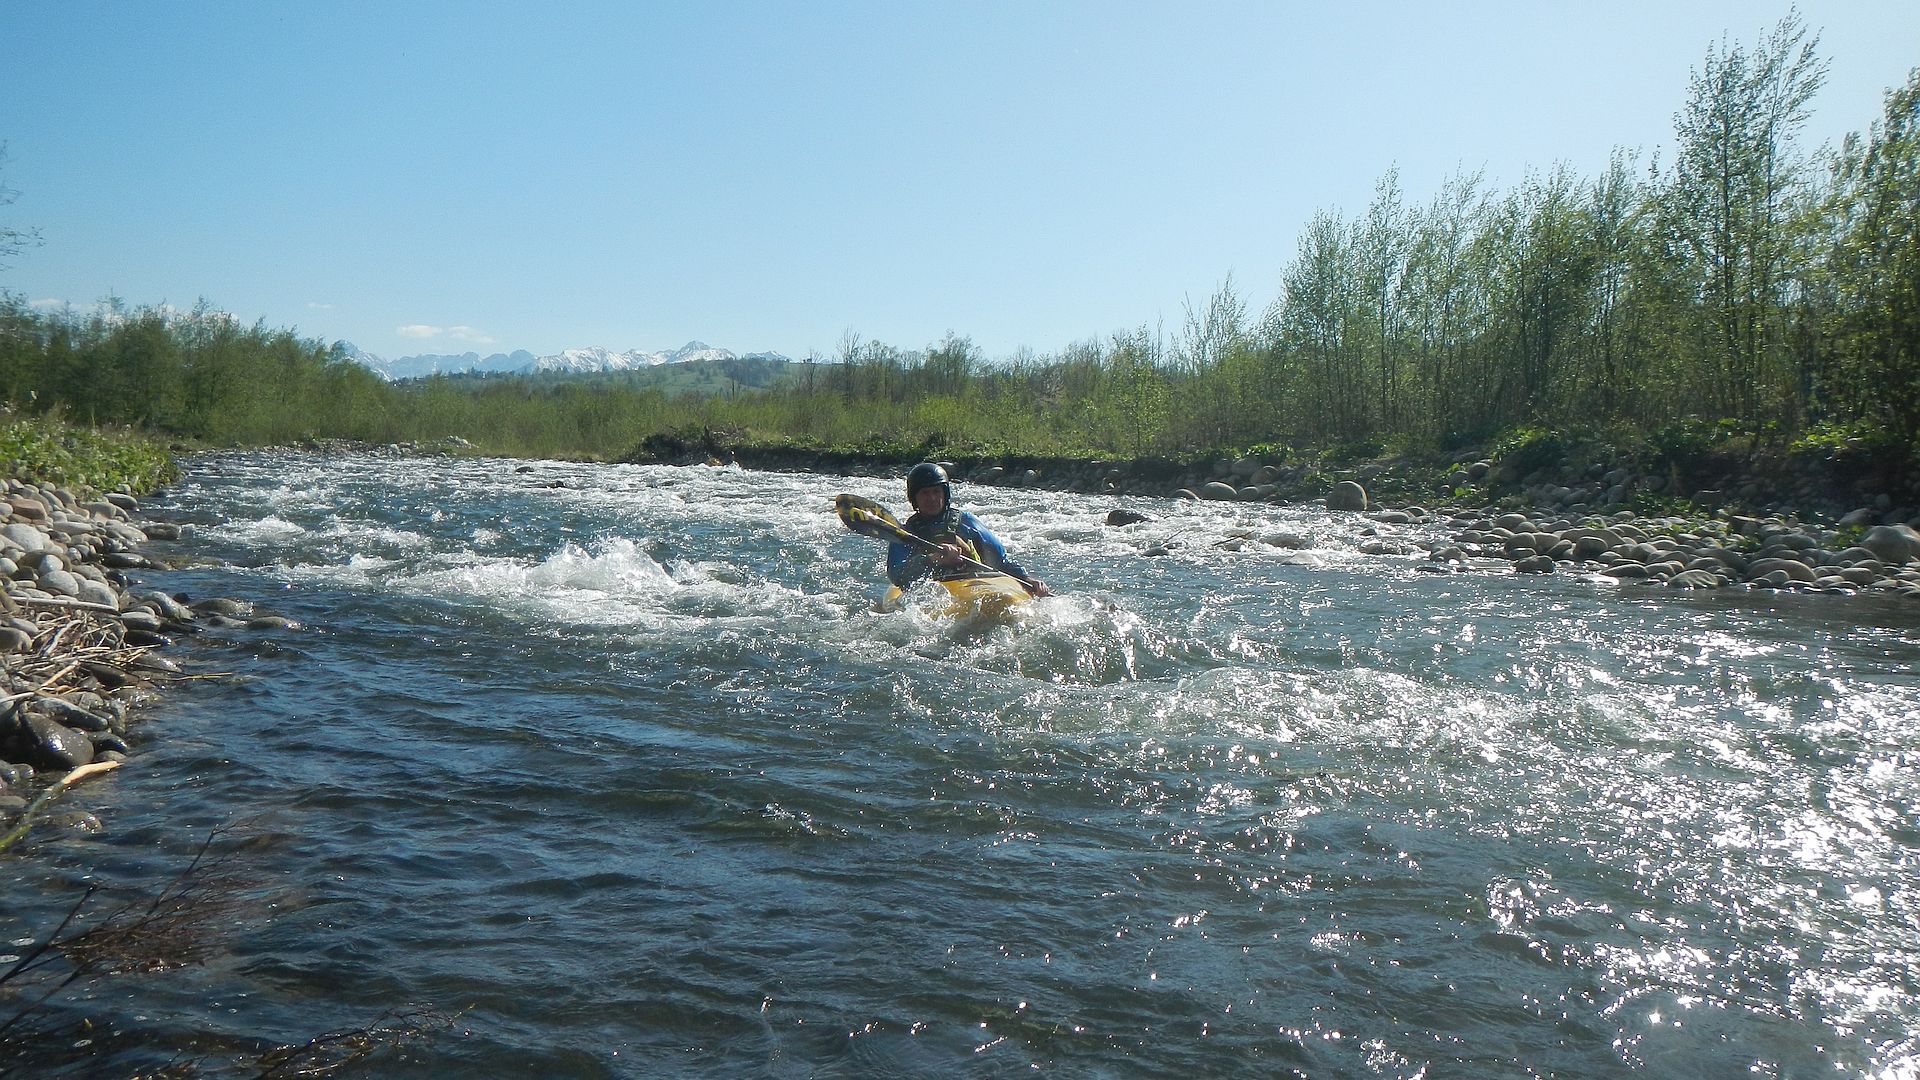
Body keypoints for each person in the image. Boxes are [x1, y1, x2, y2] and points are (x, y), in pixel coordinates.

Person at [887, 463, 1051, 596]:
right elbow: (897, 575)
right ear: (914, 498)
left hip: (972, 586)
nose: (932, 498)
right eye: (925, 493)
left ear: (945, 494)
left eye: (936, 492)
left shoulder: (966, 522)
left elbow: (1001, 561)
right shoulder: (906, 533)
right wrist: (933, 559)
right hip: (933, 593)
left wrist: (1026, 579)